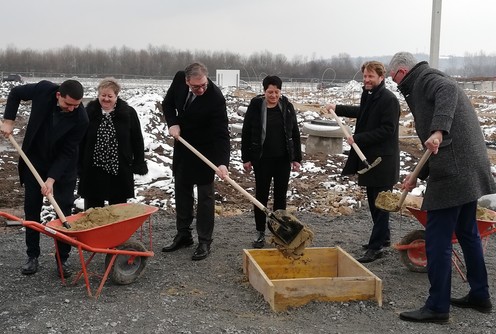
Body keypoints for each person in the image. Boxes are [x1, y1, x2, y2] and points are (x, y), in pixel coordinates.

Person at [389, 51, 495, 323]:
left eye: (394, 79)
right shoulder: (421, 84)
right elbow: (431, 149)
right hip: (466, 165)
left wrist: (438, 130)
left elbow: (448, 92)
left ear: (402, 72)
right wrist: (417, 175)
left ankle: (437, 307)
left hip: (455, 170)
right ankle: (480, 295)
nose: (397, 87)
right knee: (467, 232)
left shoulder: (426, 79)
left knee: (437, 239)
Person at [0, 79, 89, 277]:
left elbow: (67, 152)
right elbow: (15, 93)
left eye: (77, 105)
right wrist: (8, 120)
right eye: (69, 104)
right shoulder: (43, 90)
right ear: (59, 95)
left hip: (63, 170)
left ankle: (62, 259)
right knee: (32, 209)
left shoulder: (81, 119)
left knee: (63, 210)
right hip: (35, 162)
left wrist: (51, 180)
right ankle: (32, 256)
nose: (73, 109)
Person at [325, 61, 400, 263]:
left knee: (381, 205)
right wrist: (337, 108)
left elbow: (387, 130)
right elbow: (363, 112)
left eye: (371, 77)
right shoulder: (370, 95)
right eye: (365, 76)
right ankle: (383, 239)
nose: (367, 80)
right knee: (374, 203)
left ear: (381, 78)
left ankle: (375, 248)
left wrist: (359, 138)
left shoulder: (388, 99)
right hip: (369, 160)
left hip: (383, 161)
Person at [161, 62, 230, 261]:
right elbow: (168, 104)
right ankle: (183, 234)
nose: (200, 89)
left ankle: (204, 241)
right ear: (186, 81)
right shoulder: (178, 79)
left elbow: (221, 134)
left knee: (205, 197)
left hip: (205, 151)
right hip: (183, 146)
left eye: (203, 85)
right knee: (182, 190)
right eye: (195, 87)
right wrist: (172, 123)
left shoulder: (215, 98)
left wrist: (222, 163)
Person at [241, 75, 302, 248]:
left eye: (276, 92)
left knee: (280, 197)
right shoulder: (256, 106)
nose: (273, 95)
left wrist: (296, 157)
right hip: (262, 159)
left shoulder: (287, 106)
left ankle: (280, 232)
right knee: (261, 196)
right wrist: (246, 158)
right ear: (264, 91)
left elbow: (295, 133)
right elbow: (246, 132)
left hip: (282, 160)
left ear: (280, 92)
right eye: (270, 92)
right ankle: (260, 232)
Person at [78, 78, 148, 210]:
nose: (106, 99)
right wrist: (79, 164)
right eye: (103, 95)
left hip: (119, 170)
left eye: (110, 96)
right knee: (93, 212)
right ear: (98, 95)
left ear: (116, 96)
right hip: (93, 171)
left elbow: (137, 140)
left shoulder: (128, 113)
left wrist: (138, 162)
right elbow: (81, 140)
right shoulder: (89, 112)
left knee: (117, 211)